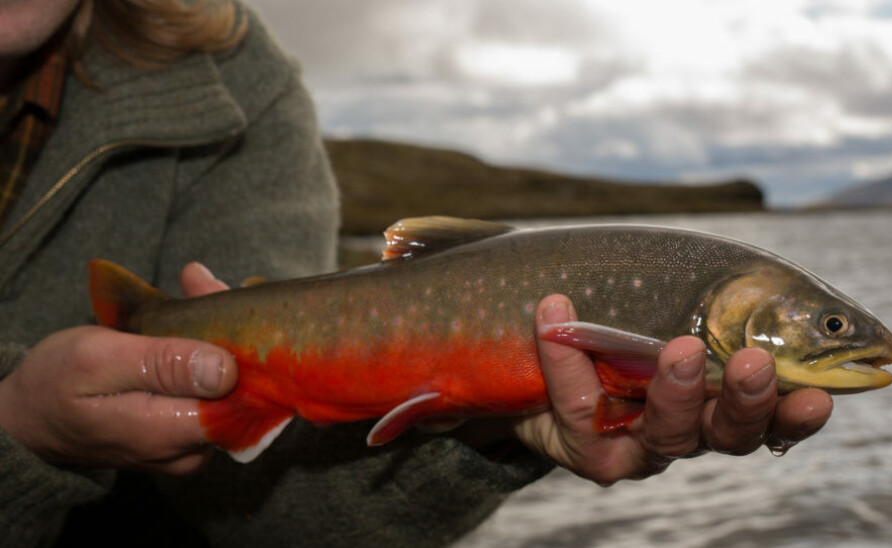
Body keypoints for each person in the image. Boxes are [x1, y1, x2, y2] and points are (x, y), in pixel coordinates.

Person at [0, 1, 835, 546]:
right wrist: (19, 435)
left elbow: (271, 517)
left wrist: (489, 431)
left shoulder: (235, 92)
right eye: (831, 329)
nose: (838, 340)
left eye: (831, 329)